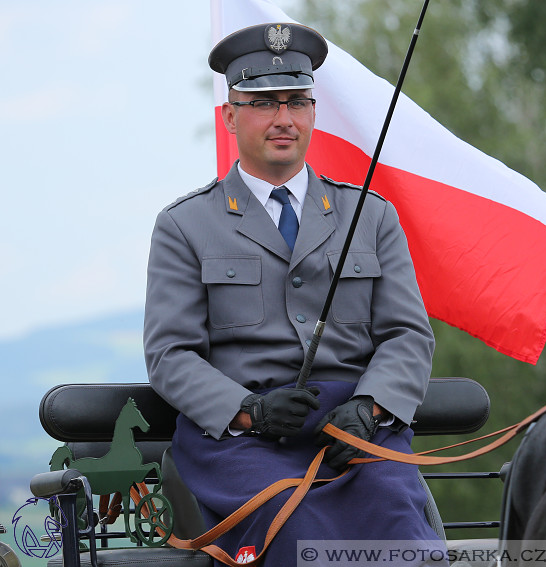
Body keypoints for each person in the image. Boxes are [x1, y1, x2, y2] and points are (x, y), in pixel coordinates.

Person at [143, 22, 443, 565]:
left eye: (297, 102)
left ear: (312, 112)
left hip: (354, 430)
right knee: (300, 537)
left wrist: (371, 407)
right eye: (263, 103)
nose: (284, 119)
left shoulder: (370, 215)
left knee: (404, 537)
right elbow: (170, 355)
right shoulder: (185, 225)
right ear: (231, 114)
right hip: (242, 442)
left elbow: (407, 334)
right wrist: (248, 411)